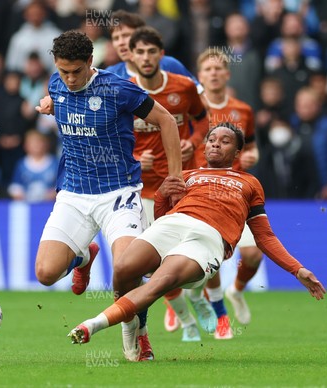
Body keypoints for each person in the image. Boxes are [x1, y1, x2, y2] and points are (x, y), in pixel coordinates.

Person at [67, 123, 326, 350]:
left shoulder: (249, 183)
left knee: (158, 283)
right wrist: (161, 196)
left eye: (225, 142)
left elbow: (264, 236)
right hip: (173, 224)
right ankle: (137, 332)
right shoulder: (188, 176)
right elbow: (162, 217)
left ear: (237, 153)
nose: (216, 144)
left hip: (209, 238)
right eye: (212, 140)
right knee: (124, 267)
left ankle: (94, 324)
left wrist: (297, 269)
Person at [34, 30, 182, 362]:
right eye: (63, 71)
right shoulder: (55, 85)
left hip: (119, 193)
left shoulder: (118, 89)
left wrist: (175, 176)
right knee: (45, 274)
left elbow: (166, 120)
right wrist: (50, 103)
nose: (69, 79)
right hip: (73, 194)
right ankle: (84, 257)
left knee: (127, 270)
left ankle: (137, 333)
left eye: (76, 71)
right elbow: (60, 99)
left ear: (90, 61)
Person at [165, 47, 261, 340]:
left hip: (233, 192)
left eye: (219, 69)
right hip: (198, 195)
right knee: (208, 255)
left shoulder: (243, 110)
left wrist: (251, 157)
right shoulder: (188, 107)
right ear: (200, 76)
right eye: (208, 69)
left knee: (253, 255)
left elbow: (252, 145)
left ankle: (237, 290)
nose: (214, 73)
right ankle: (212, 312)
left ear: (227, 74)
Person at [128, 26, 215, 343]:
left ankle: (197, 297)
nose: (146, 57)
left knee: (194, 251)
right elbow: (113, 139)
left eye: (152, 51)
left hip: (184, 183)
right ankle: (186, 321)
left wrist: (193, 140)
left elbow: (204, 119)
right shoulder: (125, 91)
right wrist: (137, 158)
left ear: (161, 55)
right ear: (131, 56)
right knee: (155, 265)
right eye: (140, 52)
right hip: (147, 190)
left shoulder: (182, 86)